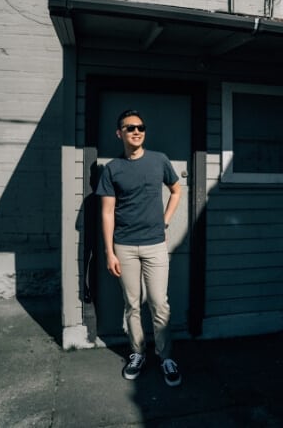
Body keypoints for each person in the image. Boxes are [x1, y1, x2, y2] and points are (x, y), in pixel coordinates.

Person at [96, 109, 183, 387]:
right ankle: (137, 353)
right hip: (124, 247)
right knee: (132, 305)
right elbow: (107, 212)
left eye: (141, 127)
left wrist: (165, 221)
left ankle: (166, 356)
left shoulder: (159, 160)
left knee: (160, 304)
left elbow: (176, 190)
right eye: (130, 127)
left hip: (155, 245)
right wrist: (109, 252)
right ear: (119, 133)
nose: (136, 131)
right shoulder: (112, 169)